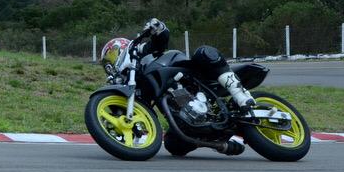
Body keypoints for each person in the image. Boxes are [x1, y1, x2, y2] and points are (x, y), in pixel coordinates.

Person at [101, 18, 255, 108]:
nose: (110, 64)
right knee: (173, 145)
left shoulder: (139, 52)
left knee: (203, 52)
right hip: (181, 110)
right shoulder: (133, 83)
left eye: (112, 54)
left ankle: (240, 94)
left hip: (189, 73)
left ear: (122, 47)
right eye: (107, 63)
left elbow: (160, 42)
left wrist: (158, 28)